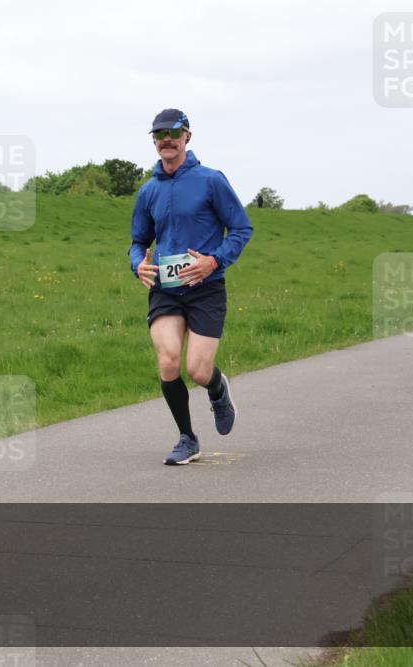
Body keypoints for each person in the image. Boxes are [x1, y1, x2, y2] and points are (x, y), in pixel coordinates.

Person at [129, 108, 253, 466]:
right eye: (159, 135)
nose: (166, 140)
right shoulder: (148, 191)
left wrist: (212, 261)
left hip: (206, 287)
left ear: (188, 136)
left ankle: (217, 388)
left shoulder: (211, 180)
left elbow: (242, 229)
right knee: (168, 360)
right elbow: (138, 240)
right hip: (167, 288)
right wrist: (138, 264)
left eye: (173, 133)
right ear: (154, 141)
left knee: (198, 370)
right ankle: (187, 438)